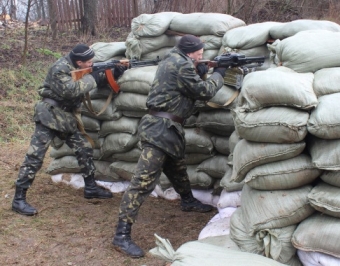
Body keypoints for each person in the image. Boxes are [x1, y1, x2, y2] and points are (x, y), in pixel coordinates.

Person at [112, 34, 227, 258]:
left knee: (177, 168)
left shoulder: (172, 60)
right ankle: (121, 235)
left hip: (168, 128)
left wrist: (199, 72)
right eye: (200, 53)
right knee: (142, 182)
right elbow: (204, 92)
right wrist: (220, 74)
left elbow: (183, 87)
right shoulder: (181, 64)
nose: (202, 56)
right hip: (159, 129)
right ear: (190, 52)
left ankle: (187, 200)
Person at [12, 44, 127, 216]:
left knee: (84, 149)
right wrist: (94, 77)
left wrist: (113, 72)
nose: (91, 63)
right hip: (49, 116)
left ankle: (90, 187)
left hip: (66, 117)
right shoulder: (59, 68)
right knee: (35, 156)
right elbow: (71, 90)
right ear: (79, 62)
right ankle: (18, 199)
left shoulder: (79, 68)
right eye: (88, 62)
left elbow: (93, 79)